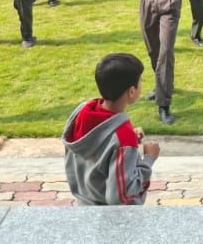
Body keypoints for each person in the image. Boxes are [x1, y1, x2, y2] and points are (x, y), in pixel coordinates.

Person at [63, 52, 160, 206]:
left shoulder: (82, 112)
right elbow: (119, 198)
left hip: (83, 205)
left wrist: (125, 142)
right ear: (132, 91)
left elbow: (99, 143)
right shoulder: (123, 136)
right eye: (140, 82)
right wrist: (148, 159)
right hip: (113, 216)